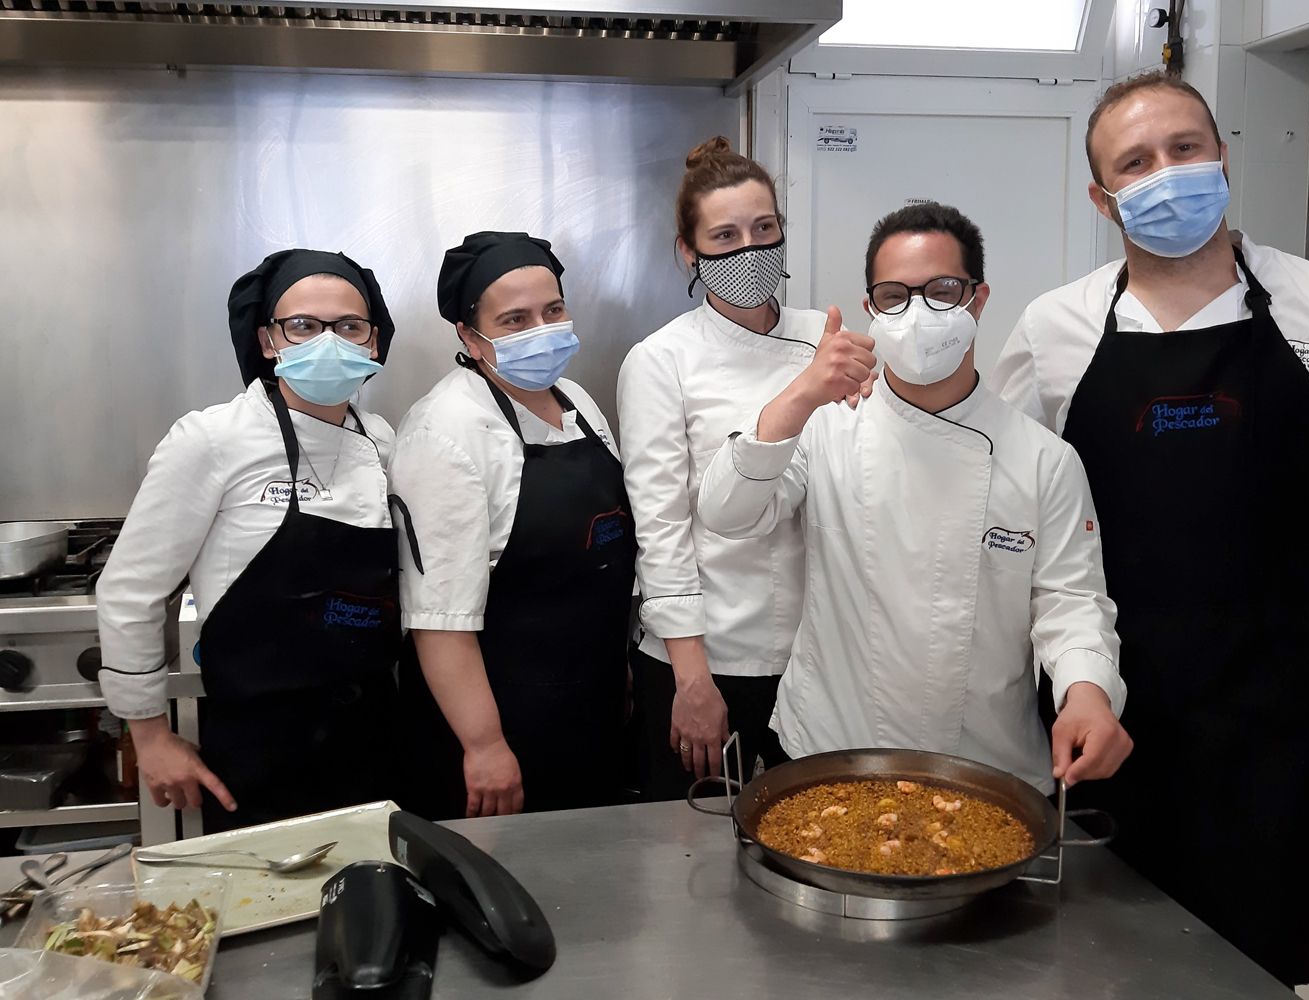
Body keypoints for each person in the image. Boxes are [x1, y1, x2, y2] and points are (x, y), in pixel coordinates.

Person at [992, 71, 1309, 987]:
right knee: (1101, 952)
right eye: (1136, 162)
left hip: (1272, 694)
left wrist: (1269, 576)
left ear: (1222, 154)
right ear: (1102, 196)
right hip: (1107, 690)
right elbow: (1015, 502)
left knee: (1259, 951)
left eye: (1184, 149)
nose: (1167, 173)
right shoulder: (1056, 327)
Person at [697, 201, 1133, 795]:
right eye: (896, 295)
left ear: (978, 301)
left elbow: (1071, 603)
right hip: (832, 753)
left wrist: (1088, 693)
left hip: (984, 765)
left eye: (943, 291)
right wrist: (799, 396)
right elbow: (727, 513)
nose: (919, 312)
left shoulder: (1042, 459)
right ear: (872, 308)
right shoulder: (828, 427)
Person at [97, 249, 403, 832]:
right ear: (268, 341)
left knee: (373, 901)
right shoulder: (212, 439)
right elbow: (131, 592)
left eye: (349, 326)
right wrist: (150, 736)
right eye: (304, 326)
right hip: (260, 747)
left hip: (372, 735)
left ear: (372, 342)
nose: (328, 340)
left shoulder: (381, 440)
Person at [390, 231, 636, 818]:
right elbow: (439, 620)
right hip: (501, 730)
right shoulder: (446, 431)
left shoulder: (572, 398)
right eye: (514, 319)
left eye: (553, 311)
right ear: (470, 337)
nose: (541, 331)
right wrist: (484, 746)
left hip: (589, 711)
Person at [617, 136, 833, 795]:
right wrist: (692, 680)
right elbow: (661, 527)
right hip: (710, 657)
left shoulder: (826, 340)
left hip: (820, 656)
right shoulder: (662, 361)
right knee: (694, 858)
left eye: (764, 229)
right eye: (725, 235)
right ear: (689, 251)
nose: (750, 249)